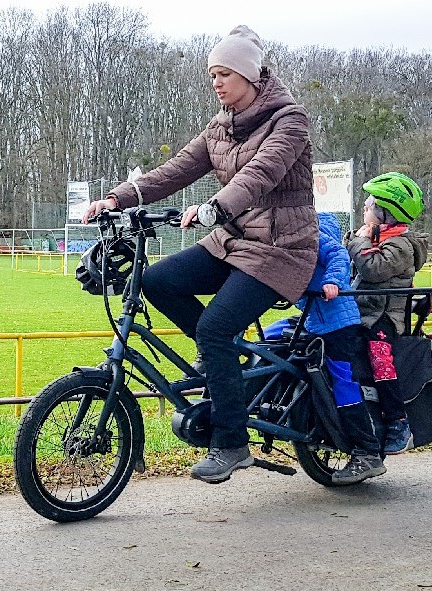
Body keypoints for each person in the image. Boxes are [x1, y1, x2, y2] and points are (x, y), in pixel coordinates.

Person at [83, 25, 318, 484]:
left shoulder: (289, 120)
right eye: (212, 74)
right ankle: (220, 357)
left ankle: (232, 443)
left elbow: (261, 174)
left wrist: (216, 206)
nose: (216, 83)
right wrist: (117, 198)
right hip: (232, 241)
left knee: (214, 326)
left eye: (224, 73)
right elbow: (176, 170)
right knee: (157, 281)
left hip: (280, 250)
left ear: (250, 77)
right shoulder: (219, 127)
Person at [296, 212, 385, 484]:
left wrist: (332, 281)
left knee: (343, 381)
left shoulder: (317, 239)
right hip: (317, 323)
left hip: (339, 325)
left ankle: (367, 452)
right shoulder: (300, 243)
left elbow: (338, 256)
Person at [346, 172, 429, 455]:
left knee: (379, 355)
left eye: (369, 206)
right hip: (363, 311)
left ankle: (398, 421)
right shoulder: (375, 237)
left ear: (385, 215)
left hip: (384, 317)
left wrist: (358, 241)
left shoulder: (402, 245)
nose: (364, 209)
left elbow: (373, 268)